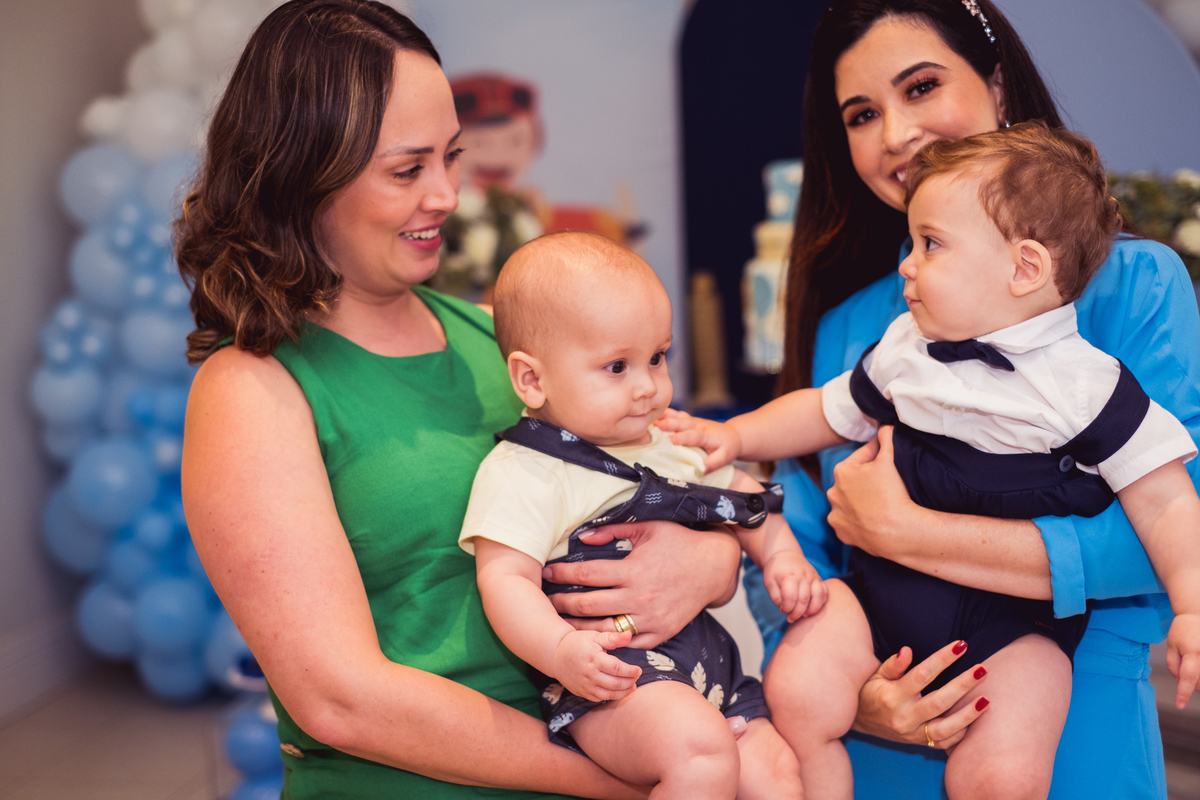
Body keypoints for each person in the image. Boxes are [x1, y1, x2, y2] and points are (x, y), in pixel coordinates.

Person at [176, 2, 745, 798]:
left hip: (630, 734)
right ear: (304, 174)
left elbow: (676, 481)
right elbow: (340, 699)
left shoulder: (502, 343)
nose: (446, 194)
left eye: (451, 157)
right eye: (408, 170)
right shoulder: (252, 391)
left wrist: (712, 561)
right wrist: (626, 781)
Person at [739, 1, 1200, 797]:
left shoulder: (1137, 284)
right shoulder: (855, 322)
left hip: (1066, 720)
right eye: (862, 114)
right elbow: (800, 537)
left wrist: (908, 532)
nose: (895, 134)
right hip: (875, 722)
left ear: (994, 82)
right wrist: (851, 696)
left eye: (921, 87)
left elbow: (1165, 527)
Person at [459, 231, 820, 799]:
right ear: (532, 379)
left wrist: (781, 557)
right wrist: (559, 650)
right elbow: (503, 579)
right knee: (700, 754)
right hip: (614, 681)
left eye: (657, 357)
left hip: (710, 668)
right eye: (616, 367)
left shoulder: (669, 440)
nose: (649, 386)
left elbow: (743, 494)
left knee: (777, 773)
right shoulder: (526, 471)